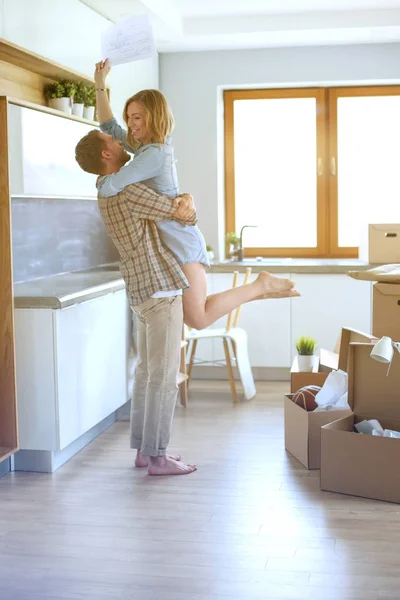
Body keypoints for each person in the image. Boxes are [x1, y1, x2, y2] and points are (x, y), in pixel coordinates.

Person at [91, 59, 299, 331]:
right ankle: (261, 288)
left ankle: (261, 285)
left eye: (137, 117)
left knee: (197, 318)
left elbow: (112, 185)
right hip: (171, 244)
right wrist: (99, 82)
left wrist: (99, 179)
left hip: (181, 242)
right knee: (195, 317)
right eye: (129, 117)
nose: (130, 124)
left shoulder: (153, 155)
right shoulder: (144, 147)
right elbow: (108, 124)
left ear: (154, 117)